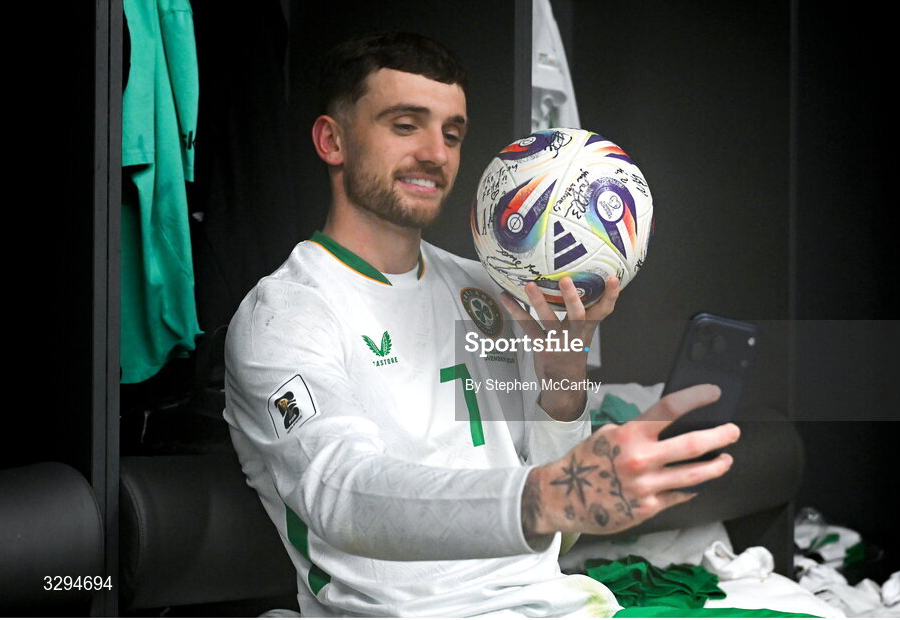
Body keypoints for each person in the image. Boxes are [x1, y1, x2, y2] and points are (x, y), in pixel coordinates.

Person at [224, 31, 741, 617]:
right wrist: (545, 496)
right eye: (405, 125)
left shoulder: (493, 289)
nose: (436, 154)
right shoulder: (286, 313)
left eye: (452, 133)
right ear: (332, 140)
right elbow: (340, 494)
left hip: (552, 603)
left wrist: (564, 369)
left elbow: (561, 535)